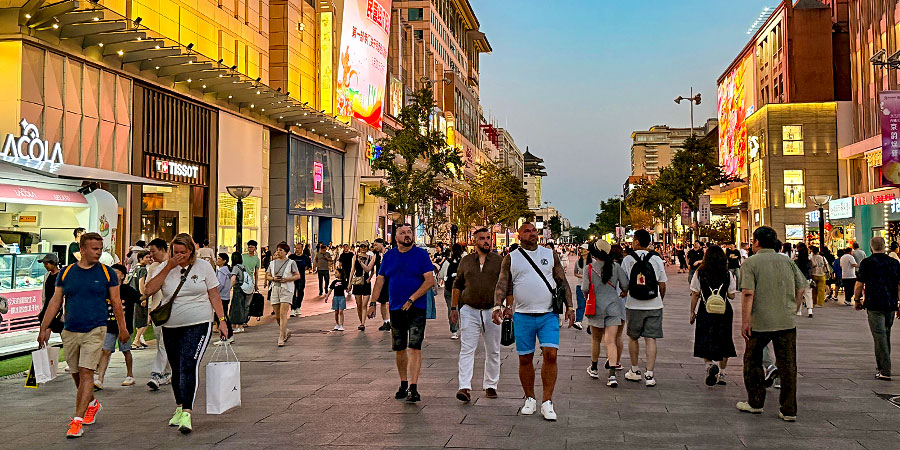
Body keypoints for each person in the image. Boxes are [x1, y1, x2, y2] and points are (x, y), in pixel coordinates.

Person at [37, 232, 127, 439]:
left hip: (95, 329)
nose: (98, 253)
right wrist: (44, 327)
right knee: (76, 374)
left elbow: (116, 302)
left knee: (87, 373)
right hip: (70, 330)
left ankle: (77, 421)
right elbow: (55, 301)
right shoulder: (67, 273)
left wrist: (123, 328)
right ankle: (92, 403)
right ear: (83, 250)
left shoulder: (107, 273)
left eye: (100, 249)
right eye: (95, 249)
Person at [143, 233, 228, 434]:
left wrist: (222, 320)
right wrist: (169, 266)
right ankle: (179, 406)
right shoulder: (164, 267)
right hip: (171, 324)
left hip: (199, 321)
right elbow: (149, 290)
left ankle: (188, 411)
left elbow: (214, 294)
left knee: (189, 363)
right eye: (176, 252)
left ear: (192, 251)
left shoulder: (204, 267)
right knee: (176, 367)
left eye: (183, 252)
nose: (179, 255)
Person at [492, 222, 574, 421]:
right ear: (519, 236)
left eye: (534, 231)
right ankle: (530, 398)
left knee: (551, 354)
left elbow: (562, 281)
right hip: (523, 315)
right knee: (525, 359)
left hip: (548, 315)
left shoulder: (549, 254)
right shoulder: (511, 258)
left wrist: (570, 306)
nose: (532, 234)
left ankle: (547, 402)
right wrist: (497, 306)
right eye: (527, 231)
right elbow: (502, 282)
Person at [737, 226, 805, 422]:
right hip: (786, 320)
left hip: (760, 321)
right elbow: (801, 287)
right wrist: (793, 308)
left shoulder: (751, 263)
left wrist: (745, 321)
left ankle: (755, 402)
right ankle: (788, 409)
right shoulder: (787, 261)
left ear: (757, 242)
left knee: (752, 360)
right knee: (788, 364)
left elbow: (748, 293)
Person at [367, 224, 435, 403]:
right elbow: (380, 281)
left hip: (416, 308)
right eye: (402, 233)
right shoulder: (389, 257)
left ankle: (413, 387)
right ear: (395, 237)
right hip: (396, 309)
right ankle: (403, 383)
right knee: (399, 348)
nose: (407, 235)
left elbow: (429, 281)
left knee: (414, 346)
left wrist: (412, 298)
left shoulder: (421, 255)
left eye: (409, 232)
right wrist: (372, 303)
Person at [449, 228, 502, 402]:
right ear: (475, 241)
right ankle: (464, 386)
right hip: (469, 309)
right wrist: (454, 308)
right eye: (482, 238)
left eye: (488, 238)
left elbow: (506, 285)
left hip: (492, 310)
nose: (486, 241)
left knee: (493, 350)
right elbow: (457, 284)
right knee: (467, 349)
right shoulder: (466, 261)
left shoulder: (498, 260)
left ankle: (491, 385)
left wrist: (505, 307)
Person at [622, 229, 667, 387]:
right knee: (651, 339)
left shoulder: (628, 259)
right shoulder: (656, 259)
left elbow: (624, 283)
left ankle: (634, 370)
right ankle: (650, 374)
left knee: (633, 338)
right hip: (654, 304)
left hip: (633, 304)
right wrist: (659, 299)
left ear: (636, 241)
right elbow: (662, 283)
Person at [689, 245, 737, 387]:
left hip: (705, 309)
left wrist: (692, 312)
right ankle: (722, 373)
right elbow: (732, 295)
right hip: (724, 310)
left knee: (705, 337)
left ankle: (709, 365)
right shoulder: (727, 273)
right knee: (724, 339)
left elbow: (695, 293)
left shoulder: (700, 272)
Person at [583, 239, 628, 387]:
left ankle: (594, 368)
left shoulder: (589, 268)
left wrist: (588, 296)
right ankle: (612, 375)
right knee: (611, 341)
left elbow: (584, 288)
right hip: (613, 308)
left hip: (596, 308)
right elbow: (625, 285)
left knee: (596, 340)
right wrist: (623, 293)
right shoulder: (615, 267)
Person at [854, 236, 900, 380]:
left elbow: (859, 284)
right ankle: (882, 365)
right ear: (885, 246)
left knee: (879, 336)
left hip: (874, 304)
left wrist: (857, 300)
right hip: (890, 304)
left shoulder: (867, 263)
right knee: (885, 334)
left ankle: (885, 370)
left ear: (871, 247)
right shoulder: (894, 262)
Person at [96, 264, 139, 388]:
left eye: (115, 272)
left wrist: (144, 300)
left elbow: (140, 297)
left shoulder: (127, 290)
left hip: (124, 327)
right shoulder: (105, 289)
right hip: (109, 325)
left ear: (122, 275)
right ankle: (100, 379)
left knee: (126, 350)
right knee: (106, 351)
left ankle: (130, 375)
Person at [145, 239, 172, 391]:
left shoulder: (175, 265)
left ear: (163, 249)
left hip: (171, 311)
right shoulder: (153, 268)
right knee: (161, 344)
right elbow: (148, 289)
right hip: (157, 311)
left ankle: (157, 374)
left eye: (153, 251)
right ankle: (167, 373)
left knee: (163, 343)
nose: (151, 255)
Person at [266, 242, 301, 347]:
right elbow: (267, 275)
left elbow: (297, 275)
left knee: (283, 313)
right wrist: (272, 278)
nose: (278, 251)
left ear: (286, 252)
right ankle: (285, 331)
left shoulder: (291, 263)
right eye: (278, 249)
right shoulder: (272, 263)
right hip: (275, 288)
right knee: (277, 315)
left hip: (287, 289)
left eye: (281, 250)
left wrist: (287, 279)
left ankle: (281, 337)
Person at [127, 251, 152, 350]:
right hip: (139, 297)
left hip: (131, 297)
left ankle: (138, 341)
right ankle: (136, 341)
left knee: (138, 320)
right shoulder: (142, 270)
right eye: (147, 257)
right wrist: (143, 297)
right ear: (141, 258)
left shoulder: (133, 269)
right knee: (143, 320)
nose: (149, 259)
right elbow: (141, 282)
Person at [349, 242, 376, 331]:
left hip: (366, 281)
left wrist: (370, 278)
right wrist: (349, 283)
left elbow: (372, 270)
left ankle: (362, 323)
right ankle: (361, 321)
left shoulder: (370, 257)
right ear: (359, 247)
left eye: (365, 246)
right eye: (362, 246)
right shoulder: (355, 257)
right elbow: (352, 270)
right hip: (357, 281)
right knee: (359, 304)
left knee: (364, 304)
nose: (363, 248)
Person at [443, 243, 464, 339]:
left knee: (451, 308)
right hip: (462, 289)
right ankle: (464, 329)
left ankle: (454, 330)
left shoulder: (447, 262)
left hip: (449, 289)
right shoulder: (464, 262)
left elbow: (442, 274)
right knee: (464, 310)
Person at [370, 239, 391, 331]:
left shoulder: (389, 253)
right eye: (374, 245)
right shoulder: (376, 256)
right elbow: (369, 268)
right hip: (380, 280)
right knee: (382, 301)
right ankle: (385, 321)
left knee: (388, 302)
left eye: (376, 245)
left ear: (381, 244)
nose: (375, 247)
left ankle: (390, 321)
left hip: (389, 280)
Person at [37, 253, 62, 332]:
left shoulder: (62, 276)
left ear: (53, 263)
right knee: (44, 329)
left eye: (46, 263)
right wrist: (42, 309)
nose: (45, 265)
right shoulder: (47, 276)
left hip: (58, 308)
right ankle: (43, 344)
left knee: (61, 330)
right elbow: (44, 294)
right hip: (47, 306)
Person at [213, 253, 234, 345]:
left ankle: (225, 337)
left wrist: (214, 292)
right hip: (225, 296)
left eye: (219, 258)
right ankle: (228, 336)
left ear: (224, 261)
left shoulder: (222, 271)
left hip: (221, 297)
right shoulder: (226, 271)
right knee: (223, 316)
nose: (217, 260)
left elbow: (220, 284)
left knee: (221, 317)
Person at [228, 253, 250, 333]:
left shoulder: (235, 267)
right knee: (241, 306)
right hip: (243, 288)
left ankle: (239, 326)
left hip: (237, 289)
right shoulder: (242, 266)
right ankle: (236, 326)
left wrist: (229, 287)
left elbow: (233, 278)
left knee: (236, 307)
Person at [288, 244, 311, 317]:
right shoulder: (291, 257)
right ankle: (292, 308)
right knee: (293, 292)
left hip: (301, 278)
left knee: (300, 291)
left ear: (302, 249)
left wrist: (304, 269)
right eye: (296, 248)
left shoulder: (305, 257)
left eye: (298, 248)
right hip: (292, 277)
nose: (297, 249)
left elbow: (308, 266)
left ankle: (298, 307)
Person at [792, 243, 814, 318]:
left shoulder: (796, 261)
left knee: (799, 295)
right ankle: (810, 310)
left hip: (799, 279)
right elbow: (814, 265)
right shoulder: (809, 260)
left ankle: (799, 310)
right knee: (808, 295)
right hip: (808, 278)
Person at [572, 243, 590, 330]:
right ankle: (578, 321)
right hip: (580, 285)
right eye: (581, 249)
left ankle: (591, 324)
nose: (582, 251)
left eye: (584, 249)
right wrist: (582, 276)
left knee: (591, 304)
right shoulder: (578, 262)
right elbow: (575, 273)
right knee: (581, 304)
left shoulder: (593, 262)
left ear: (588, 251)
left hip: (591, 286)